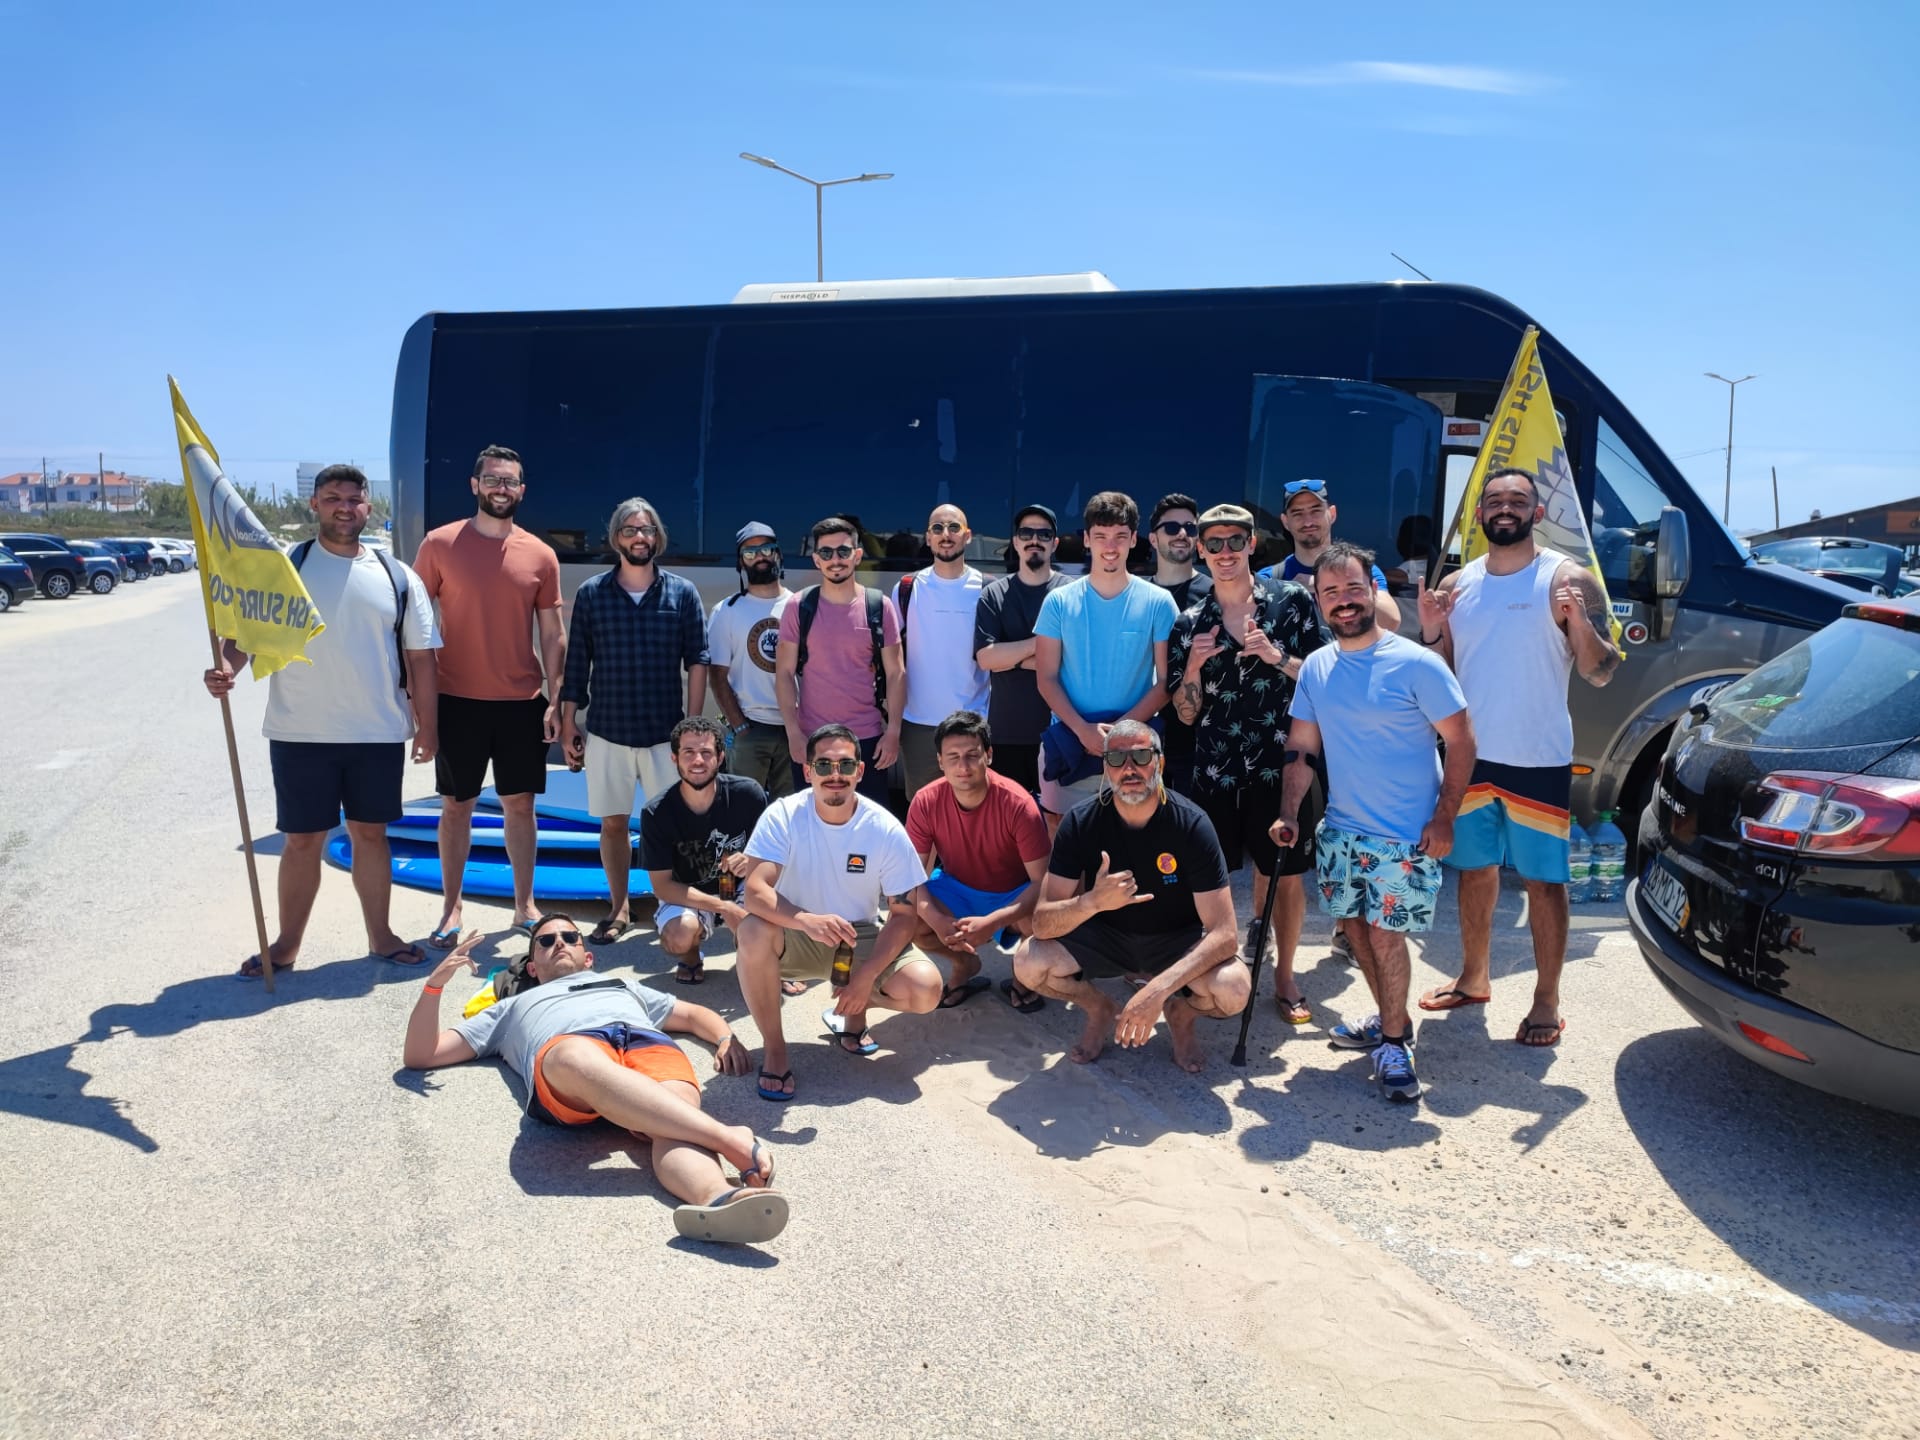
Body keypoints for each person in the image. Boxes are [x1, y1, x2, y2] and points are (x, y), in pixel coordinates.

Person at [401, 916, 788, 1245]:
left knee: (674, 1119)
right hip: (572, 1057)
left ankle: (720, 1199)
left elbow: (689, 1014)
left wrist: (723, 1037)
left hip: (644, 1042)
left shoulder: (621, 985)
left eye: (570, 937)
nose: (559, 944)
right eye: (546, 941)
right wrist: (434, 985)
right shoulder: (510, 1007)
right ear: (532, 966)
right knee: (573, 1058)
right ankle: (730, 1137)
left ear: (588, 956)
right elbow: (422, 1054)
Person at [202, 464, 441, 975]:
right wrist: (226, 668)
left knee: (370, 836)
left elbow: (421, 657)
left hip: (376, 732)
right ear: (314, 504)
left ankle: (381, 936)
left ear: (367, 508)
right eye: (333, 497)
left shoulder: (397, 576)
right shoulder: (283, 571)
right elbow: (247, 636)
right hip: (299, 731)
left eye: (353, 499)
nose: (343, 507)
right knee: (302, 840)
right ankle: (287, 944)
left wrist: (428, 726)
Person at [1414, 468, 1621, 1047]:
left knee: (1544, 883)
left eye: (1519, 500)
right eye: (1495, 500)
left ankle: (1546, 1001)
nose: (1506, 508)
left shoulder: (1567, 577)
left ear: (1537, 513)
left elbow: (1600, 672)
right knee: (1473, 873)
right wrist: (1432, 631)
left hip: (1538, 759)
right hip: (1472, 759)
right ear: (1480, 515)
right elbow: (1445, 674)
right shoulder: (1458, 585)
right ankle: (1474, 979)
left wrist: (1579, 621)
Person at [1270, 543, 1476, 1103]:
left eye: (1353, 588)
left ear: (1373, 591)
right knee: (1356, 932)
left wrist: (1445, 816)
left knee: (1385, 935)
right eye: (1331, 592)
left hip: (1405, 835)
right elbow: (1301, 748)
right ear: (1318, 600)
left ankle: (1393, 1042)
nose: (1343, 601)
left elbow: (1461, 741)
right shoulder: (1316, 666)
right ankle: (1391, 1020)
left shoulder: (1416, 663)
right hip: (1342, 829)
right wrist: (1288, 812)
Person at [1167, 504, 1328, 1025]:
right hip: (1215, 770)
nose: (1224, 552)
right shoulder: (1190, 622)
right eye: (1213, 543)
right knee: (1204, 877)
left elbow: (1326, 680)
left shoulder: (1292, 603)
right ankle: (1210, 970)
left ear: (1253, 544)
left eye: (1235, 541)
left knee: (1284, 875)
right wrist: (1193, 662)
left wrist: (1276, 657)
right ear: (1200, 550)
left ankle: (1283, 977)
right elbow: (1185, 713)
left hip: (1280, 768)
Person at [1013, 721, 1248, 1072]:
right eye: (1117, 759)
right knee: (1027, 962)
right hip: (1104, 940)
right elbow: (1042, 924)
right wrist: (1091, 901)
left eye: (1141, 755)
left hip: (1175, 942)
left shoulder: (1192, 824)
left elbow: (1226, 935)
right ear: (1105, 769)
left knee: (1234, 989)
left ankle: (1181, 1014)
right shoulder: (1080, 821)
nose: (1129, 768)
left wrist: (1158, 992)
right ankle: (1099, 1009)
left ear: (1160, 763)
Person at [734, 725, 945, 1101]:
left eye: (846, 765)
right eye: (825, 764)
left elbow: (903, 914)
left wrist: (866, 976)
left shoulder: (883, 827)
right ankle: (776, 1049)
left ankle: (851, 1011)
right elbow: (754, 892)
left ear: (860, 772)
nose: (835, 775)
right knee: (751, 931)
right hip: (794, 933)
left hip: (858, 935)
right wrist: (805, 920)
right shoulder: (783, 815)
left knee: (927, 989)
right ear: (808, 770)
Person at [412, 444, 565, 944]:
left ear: (522, 491)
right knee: (458, 806)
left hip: (521, 703)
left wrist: (556, 696)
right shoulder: (438, 544)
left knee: (521, 806)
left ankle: (525, 906)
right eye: (493, 480)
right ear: (475, 485)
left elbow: (553, 633)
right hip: (457, 701)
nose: (502, 489)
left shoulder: (540, 555)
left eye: (511, 482)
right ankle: (451, 909)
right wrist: (420, 704)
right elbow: (412, 624)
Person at [558, 497, 708, 946]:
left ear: (656, 537)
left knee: (674, 826)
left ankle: (676, 909)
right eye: (629, 530)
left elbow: (697, 661)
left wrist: (694, 726)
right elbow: (577, 665)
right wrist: (569, 725)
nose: (639, 537)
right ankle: (619, 906)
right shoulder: (591, 594)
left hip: (666, 735)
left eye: (646, 530)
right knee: (614, 824)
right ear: (616, 538)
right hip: (609, 731)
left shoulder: (682, 593)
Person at [1033, 492, 1179, 819]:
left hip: (1135, 754)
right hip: (1069, 745)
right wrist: (1083, 730)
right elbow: (1046, 678)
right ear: (1087, 539)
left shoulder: (1159, 603)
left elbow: (1167, 681)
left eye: (1119, 537)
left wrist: (1120, 734)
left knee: (1135, 849)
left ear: (1133, 541)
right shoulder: (1058, 602)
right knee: (1064, 847)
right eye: (1100, 536)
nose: (1110, 546)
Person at [905, 711, 1053, 1012]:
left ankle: (1021, 977)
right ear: (940, 761)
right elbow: (909, 878)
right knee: (909, 916)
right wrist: (936, 918)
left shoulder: (1018, 804)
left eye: (973, 755)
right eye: (953, 757)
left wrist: (992, 922)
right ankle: (965, 965)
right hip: (958, 887)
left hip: (1014, 892)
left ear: (989, 754)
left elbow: (1042, 882)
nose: (963, 766)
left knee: (1041, 918)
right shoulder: (925, 801)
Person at [775, 517, 904, 805]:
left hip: (866, 741)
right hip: (812, 739)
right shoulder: (798, 606)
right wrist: (793, 732)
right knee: (814, 827)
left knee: (867, 828)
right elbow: (783, 673)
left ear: (857, 555)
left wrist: (893, 730)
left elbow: (896, 673)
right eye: (826, 553)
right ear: (816, 560)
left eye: (843, 552)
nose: (835, 560)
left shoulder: (879, 606)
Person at [639, 717, 767, 986]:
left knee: (778, 904)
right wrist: (724, 907)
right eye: (688, 752)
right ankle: (691, 956)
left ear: (720, 757)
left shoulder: (749, 794)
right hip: (691, 894)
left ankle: (778, 965)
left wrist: (752, 861)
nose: (698, 760)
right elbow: (662, 886)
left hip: (743, 887)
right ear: (674, 758)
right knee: (678, 934)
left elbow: (775, 857)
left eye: (706, 752)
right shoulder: (656, 812)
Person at [973, 503, 1071, 799]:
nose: (1034, 539)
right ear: (1015, 542)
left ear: (1054, 544)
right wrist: (1043, 644)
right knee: (1009, 827)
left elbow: (1073, 659)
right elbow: (986, 658)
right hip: (1006, 733)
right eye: (1026, 532)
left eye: (1043, 533)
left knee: (1057, 824)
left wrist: (1011, 659)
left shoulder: (1072, 593)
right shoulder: (994, 594)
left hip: (1062, 729)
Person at [893, 504, 991, 798]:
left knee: (974, 814)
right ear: (927, 537)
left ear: (968, 536)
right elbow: (890, 655)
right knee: (924, 816)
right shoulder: (906, 588)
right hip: (919, 725)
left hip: (974, 723)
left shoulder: (988, 588)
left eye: (953, 528)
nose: (945, 535)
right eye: (937, 528)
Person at [707, 521, 796, 800]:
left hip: (794, 727)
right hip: (750, 728)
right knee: (742, 810)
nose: (760, 556)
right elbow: (717, 675)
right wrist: (739, 725)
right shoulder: (726, 611)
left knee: (791, 811)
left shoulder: (799, 605)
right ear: (740, 562)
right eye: (750, 552)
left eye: (766, 549)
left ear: (778, 554)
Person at [1258, 478, 1402, 632]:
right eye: (1297, 513)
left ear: (1332, 514)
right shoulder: (1269, 580)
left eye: (1316, 511)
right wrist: (1288, 593)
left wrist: (1332, 588)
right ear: (1285, 522)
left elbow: (1391, 621)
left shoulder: (1361, 570)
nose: (1308, 522)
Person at [1146, 492, 1212, 795]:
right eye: (1171, 528)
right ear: (1152, 538)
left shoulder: (1216, 594)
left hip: (1197, 745)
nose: (1182, 534)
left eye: (1190, 527)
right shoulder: (1135, 595)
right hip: (1141, 743)